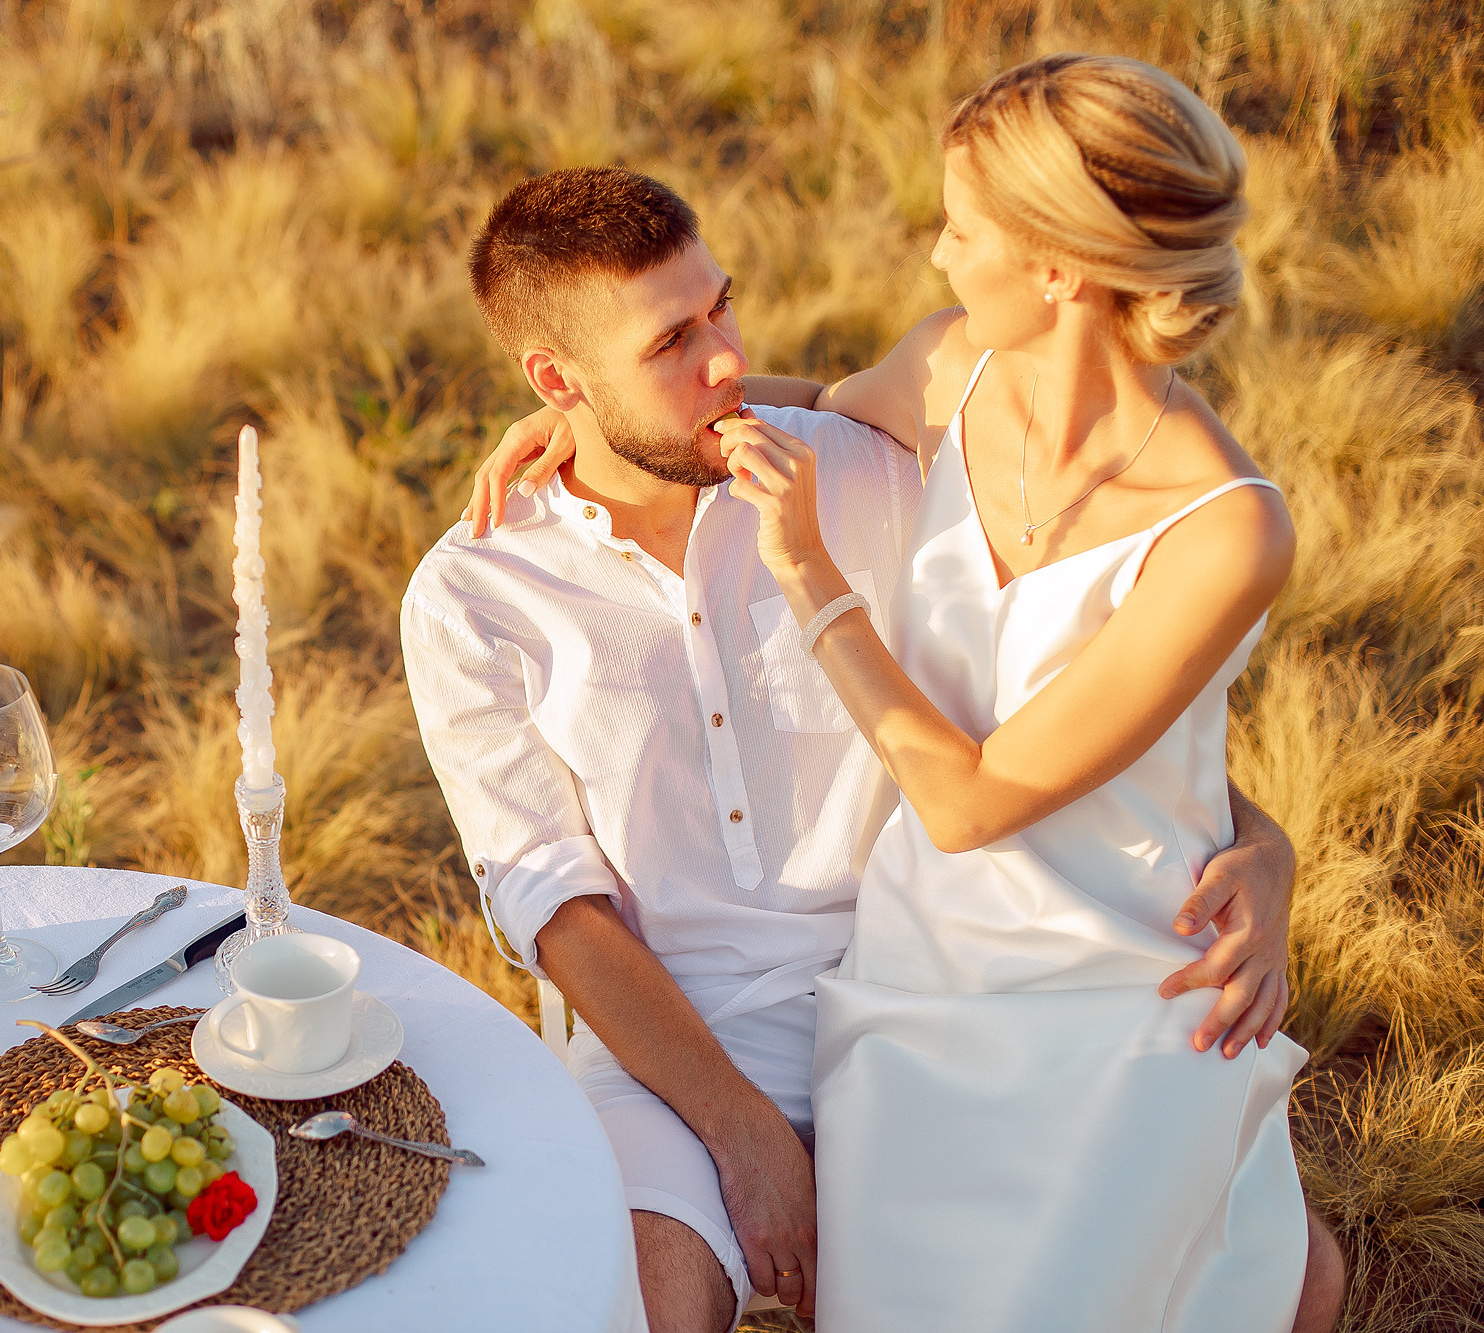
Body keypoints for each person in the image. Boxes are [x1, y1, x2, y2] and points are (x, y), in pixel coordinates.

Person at [414, 158, 1326, 1333]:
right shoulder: (474, 590)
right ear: (556, 380)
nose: (726, 359)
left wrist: (1261, 840)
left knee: (1288, 1284)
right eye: (669, 343)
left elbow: (1036, 716)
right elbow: (556, 909)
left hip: (924, 986)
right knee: (636, 1299)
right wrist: (740, 1132)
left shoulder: (865, 471)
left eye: (721, 306)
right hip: (673, 1042)